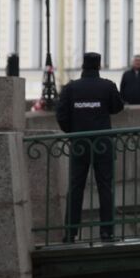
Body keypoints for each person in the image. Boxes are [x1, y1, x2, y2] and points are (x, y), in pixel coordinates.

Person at [57, 51, 125, 243]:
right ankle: (107, 232)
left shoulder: (71, 88)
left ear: (83, 66)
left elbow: (61, 115)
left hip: (80, 144)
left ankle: (70, 232)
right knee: (105, 187)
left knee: (76, 187)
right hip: (103, 143)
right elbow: (118, 107)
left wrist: (73, 134)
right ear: (99, 66)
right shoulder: (107, 86)